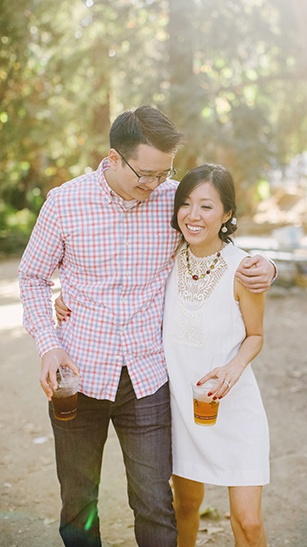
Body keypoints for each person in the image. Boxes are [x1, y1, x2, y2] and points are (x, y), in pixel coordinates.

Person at [18, 106, 276, 547]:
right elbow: (33, 277)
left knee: (157, 505)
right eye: (146, 174)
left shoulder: (174, 202)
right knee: (79, 503)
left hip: (149, 381)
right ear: (114, 158)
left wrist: (269, 267)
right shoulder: (64, 203)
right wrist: (48, 344)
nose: (156, 185)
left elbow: (219, 240)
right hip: (77, 376)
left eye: (164, 173)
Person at [164, 164, 270, 547]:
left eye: (207, 206)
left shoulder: (244, 270)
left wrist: (232, 368)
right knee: (185, 506)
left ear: (227, 214)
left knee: (248, 523)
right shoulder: (166, 259)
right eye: (186, 204)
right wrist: (66, 301)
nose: (194, 215)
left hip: (233, 409)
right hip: (181, 409)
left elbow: (255, 336)